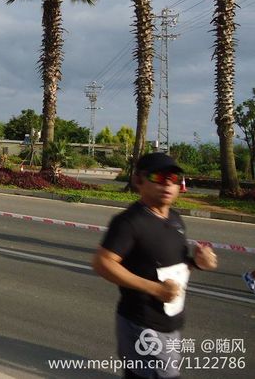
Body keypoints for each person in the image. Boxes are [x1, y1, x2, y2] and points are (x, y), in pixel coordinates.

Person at [93, 152, 218, 378]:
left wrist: (197, 262)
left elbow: (175, 267)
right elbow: (103, 263)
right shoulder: (129, 222)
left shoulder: (175, 219)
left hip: (170, 321)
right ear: (138, 180)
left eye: (174, 178)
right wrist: (156, 289)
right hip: (142, 323)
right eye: (159, 178)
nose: (168, 184)